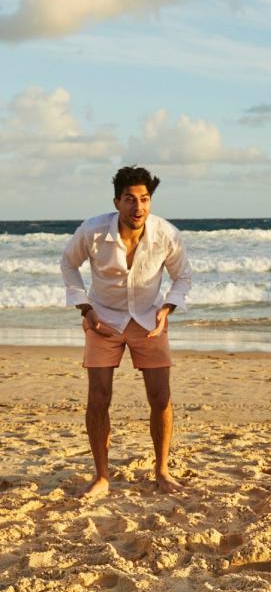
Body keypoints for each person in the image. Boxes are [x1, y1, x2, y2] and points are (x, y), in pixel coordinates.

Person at [60, 166, 192, 499]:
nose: (138, 207)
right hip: (102, 320)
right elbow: (68, 264)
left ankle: (162, 471)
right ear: (117, 201)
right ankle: (102, 476)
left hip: (149, 320)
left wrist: (167, 309)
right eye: (130, 199)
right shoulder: (91, 231)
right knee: (99, 398)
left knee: (160, 397)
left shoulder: (166, 233)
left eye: (145, 199)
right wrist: (85, 309)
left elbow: (183, 278)